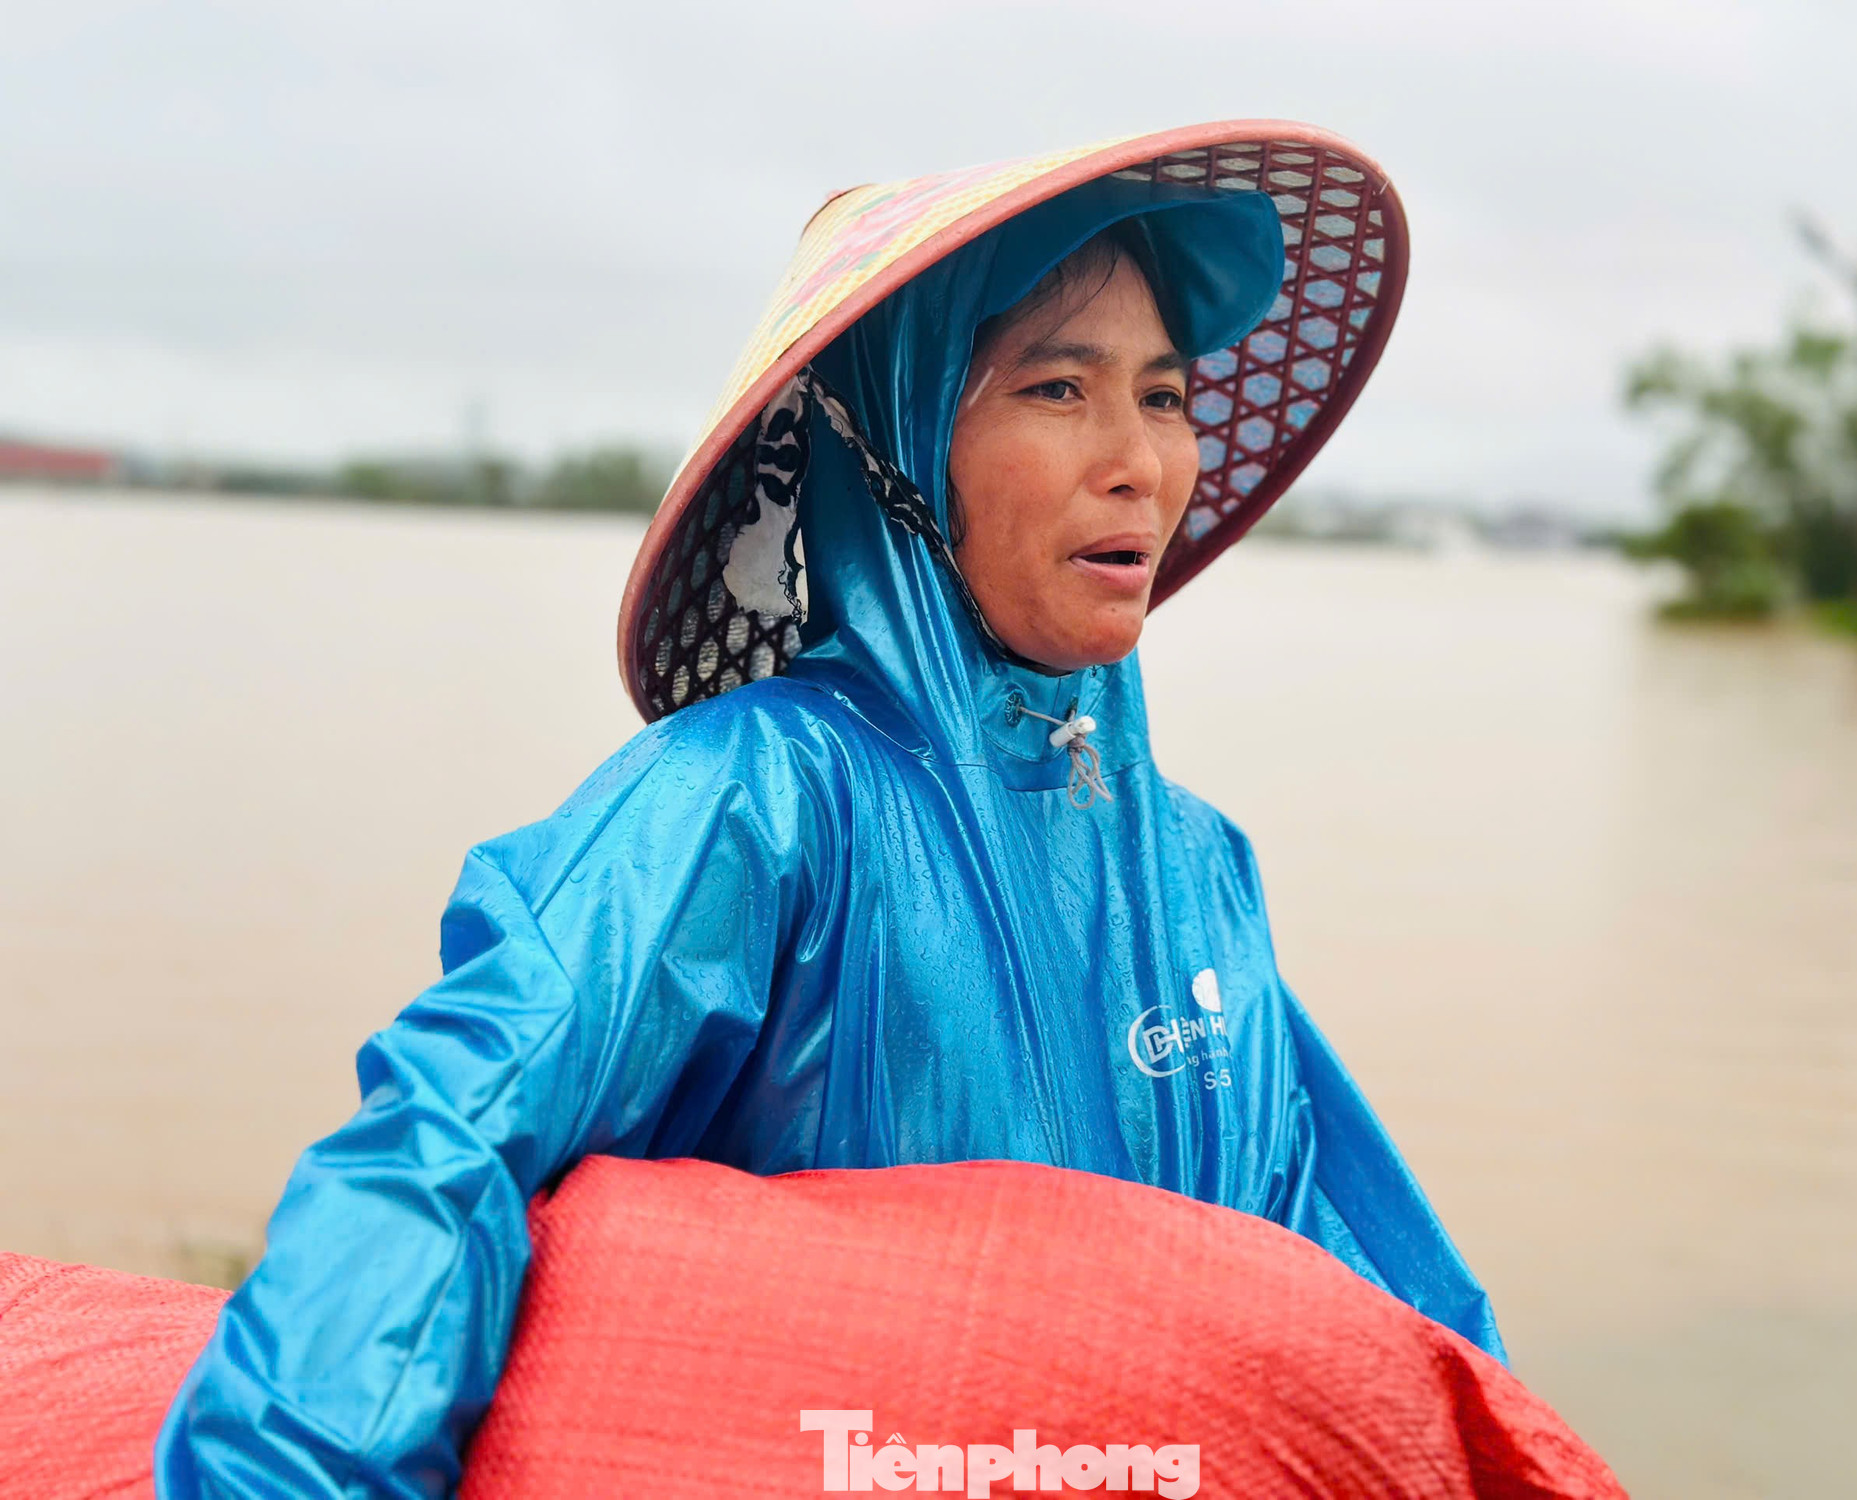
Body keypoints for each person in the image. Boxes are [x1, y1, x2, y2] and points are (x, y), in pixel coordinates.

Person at [156, 123, 1503, 1499]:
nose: (1141, 464)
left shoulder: (1197, 870)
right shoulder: (750, 802)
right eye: (1056, 387)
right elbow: (443, 1146)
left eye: (1162, 397)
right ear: (896, 446)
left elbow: (1349, 1286)